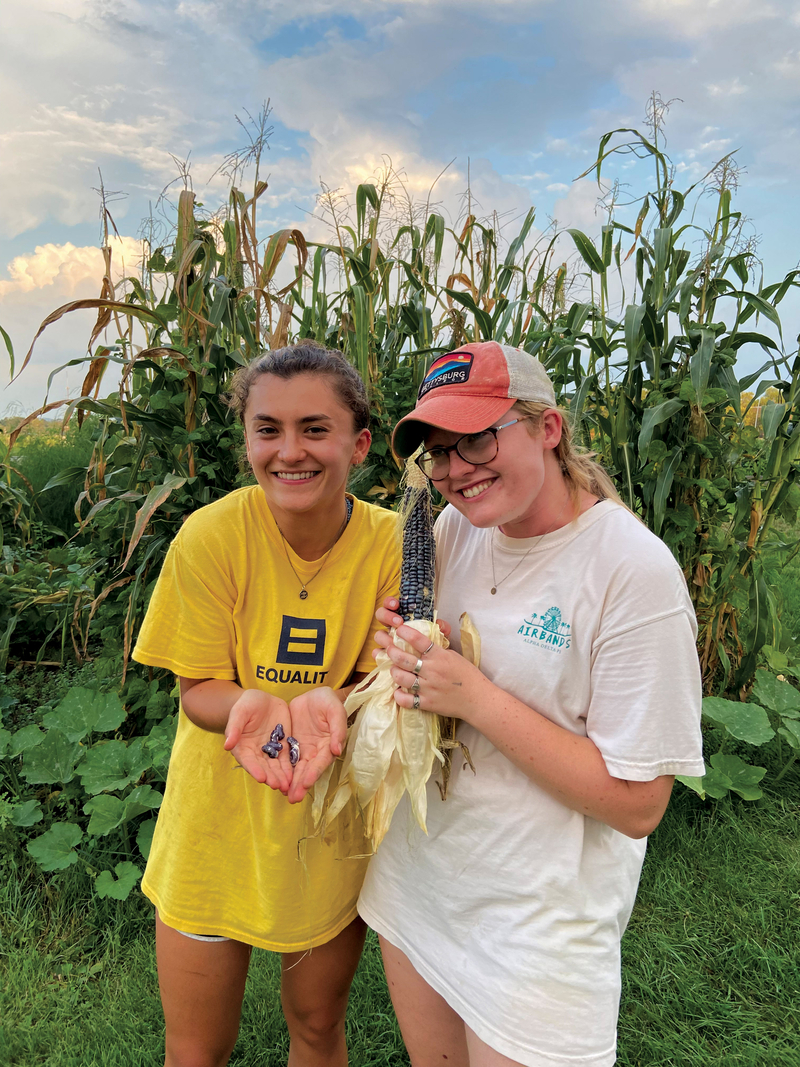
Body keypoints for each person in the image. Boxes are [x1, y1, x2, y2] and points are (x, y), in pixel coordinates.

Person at [358, 341, 705, 1067]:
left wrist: (474, 695)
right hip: (423, 882)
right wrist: (406, 647)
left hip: (538, 926)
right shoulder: (455, 527)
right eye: (439, 452)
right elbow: (444, 667)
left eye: (478, 438)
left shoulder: (631, 573)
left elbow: (639, 803)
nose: (456, 471)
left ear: (548, 427)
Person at [132, 343, 400, 1067]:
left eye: (315, 428)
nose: (290, 451)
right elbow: (199, 691)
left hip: (322, 821)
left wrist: (332, 701)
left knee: (317, 1026)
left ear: (360, 443)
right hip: (212, 827)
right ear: (247, 438)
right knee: (196, 1047)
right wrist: (252, 702)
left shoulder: (393, 544)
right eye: (267, 429)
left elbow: (388, 682)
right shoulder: (211, 535)